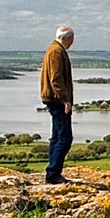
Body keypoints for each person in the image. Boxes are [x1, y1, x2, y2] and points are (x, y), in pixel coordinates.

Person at [40, 24, 74, 183]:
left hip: (54, 98)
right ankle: (53, 174)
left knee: (57, 137)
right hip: (56, 99)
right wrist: (65, 99)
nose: (72, 42)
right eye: (71, 39)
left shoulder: (55, 49)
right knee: (64, 138)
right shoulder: (56, 51)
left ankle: (52, 172)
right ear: (67, 38)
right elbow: (56, 79)